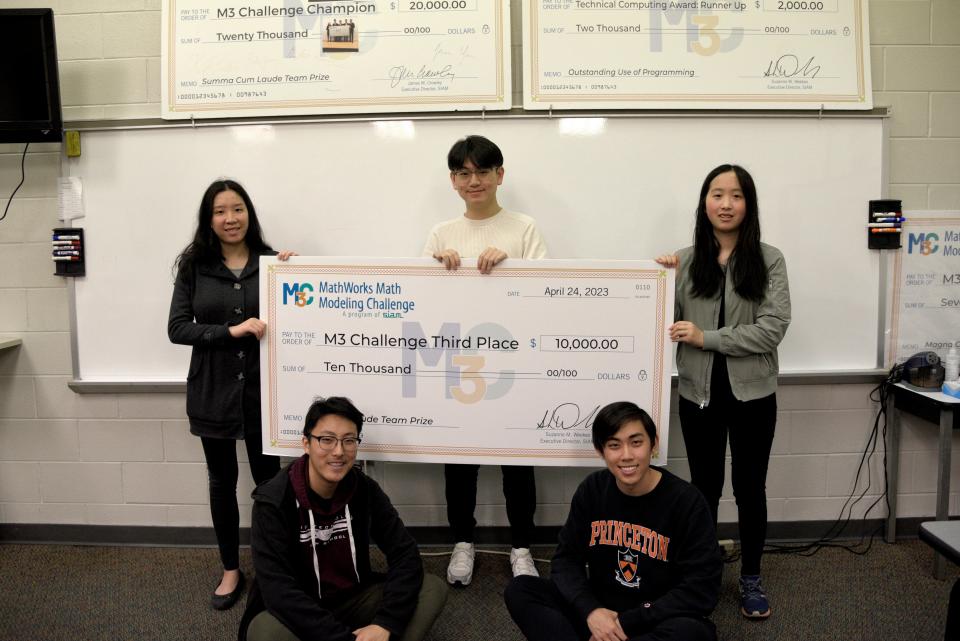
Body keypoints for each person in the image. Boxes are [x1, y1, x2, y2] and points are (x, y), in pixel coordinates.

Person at [655, 164, 791, 619]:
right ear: (705, 202)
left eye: (736, 195)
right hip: (698, 395)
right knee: (704, 489)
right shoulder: (685, 259)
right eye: (717, 194)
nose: (726, 204)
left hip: (753, 396)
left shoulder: (769, 259)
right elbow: (662, 325)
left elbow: (771, 330)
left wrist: (707, 338)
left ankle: (751, 577)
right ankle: (704, 574)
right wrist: (658, 281)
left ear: (748, 204)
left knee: (750, 488)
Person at [422, 134, 548, 585]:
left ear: (500, 175)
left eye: (481, 171)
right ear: (453, 181)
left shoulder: (524, 228)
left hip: (514, 365)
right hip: (459, 366)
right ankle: (462, 543)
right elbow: (422, 306)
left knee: (518, 462)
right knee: (459, 461)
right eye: (463, 173)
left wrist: (513, 265)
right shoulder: (441, 233)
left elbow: (546, 298)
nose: (473, 180)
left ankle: (522, 549)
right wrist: (437, 270)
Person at [168, 179, 294, 610]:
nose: (230, 218)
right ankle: (230, 569)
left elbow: (298, 315)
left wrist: (299, 274)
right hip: (213, 390)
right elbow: (177, 328)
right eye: (220, 211)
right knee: (222, 482)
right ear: (209, 220)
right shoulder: (194, 267)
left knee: (270, 484)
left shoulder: (273, 262)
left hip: (265, 391)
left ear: (249, 213)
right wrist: (229, 332)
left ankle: (274, 569)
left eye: (237, 209)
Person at [504, 401, 722, 641]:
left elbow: (702, 587)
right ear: (600, 451)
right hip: (600, 613)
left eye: (636, 442)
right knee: (521, 589)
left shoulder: (687, 502)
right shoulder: (592, 490)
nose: (627, 455)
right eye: (614, 445)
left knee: (694, 634)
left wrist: (625, 622)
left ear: (654, 444)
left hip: (655, 617)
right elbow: (566, 561)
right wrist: (591, 611)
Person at [238, 396, 447, 641]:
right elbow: (278, 590)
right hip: (301, 610)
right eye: (326, 440)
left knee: (432, 589)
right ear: (306, 443)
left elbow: (405, 553)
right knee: (265, 632)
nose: (338, 451)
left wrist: (385, 623)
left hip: (353, 599)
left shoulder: (365, 490)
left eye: (348, 441)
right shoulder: (273, 501)